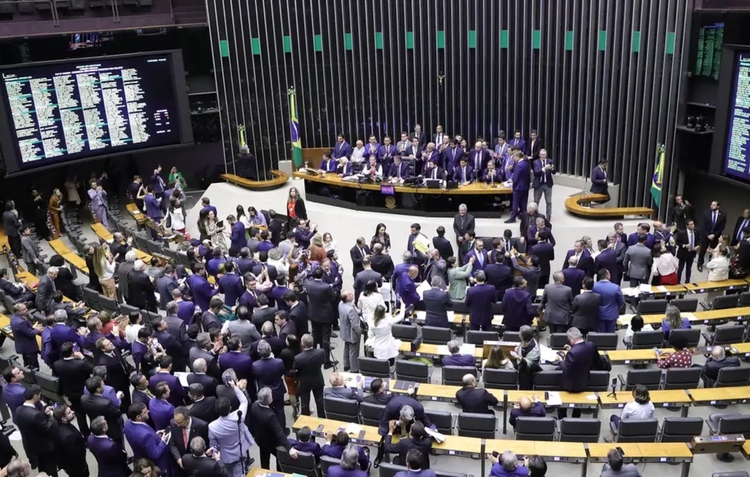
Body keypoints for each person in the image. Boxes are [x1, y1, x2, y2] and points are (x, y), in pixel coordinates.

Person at [209, 380, 255, 477]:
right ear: (230, 408)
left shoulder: (212, 426)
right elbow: (244, 401)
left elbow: (214, 445)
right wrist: (235, 387)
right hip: (240, 453)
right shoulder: (238, 417)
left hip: (225, 457)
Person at [16, 385, 59, 476]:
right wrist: (51, 415)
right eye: (39, 395)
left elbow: (32, 422)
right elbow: (48, 428)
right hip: (44, 447)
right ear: (35, 396)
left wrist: (43, 413)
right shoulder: (35, 415)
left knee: (42, 466)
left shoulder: (19, 410)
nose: (40, 397)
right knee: (50, 469)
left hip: (31, 446)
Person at [250, 387, 295, 469]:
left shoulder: (254, 405)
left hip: (260, 440)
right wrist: (289, 448)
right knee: (280, 457)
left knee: (264, 460)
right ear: (270, 399)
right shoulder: (270, 416)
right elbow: (279, 432)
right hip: (272, 443)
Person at [556, 328, 595, 418]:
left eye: (569, 339)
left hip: (570, 385)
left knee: (562, 403)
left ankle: (563, 419)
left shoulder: (572, 353)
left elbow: (567, 370)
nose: (569, 341)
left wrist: (561, 360)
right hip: (584, 381)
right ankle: (576, 419)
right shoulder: (590, 345)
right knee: (578, 406)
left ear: (573, 339)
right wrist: (572, 349)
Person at [124, 403, 171, 474]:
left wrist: (155, 435)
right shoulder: (146, 435)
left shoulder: (127, 423)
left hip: (139, 456)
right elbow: (155, 454)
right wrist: (163, 441)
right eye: (145, 412)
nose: (148, 411)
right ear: (138, 417)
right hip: (154, 464)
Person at [293, 333, 326, 416]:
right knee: (320, 402)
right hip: (317, 379)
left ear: (303, 344)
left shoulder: (298, 358)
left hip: (304, 383)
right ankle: (322, 419)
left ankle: (306, 421)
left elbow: (295, 370)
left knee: (305, 404)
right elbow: (322, 362)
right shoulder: (321, 352)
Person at [52, 404, 89, 477]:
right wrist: (83, 466)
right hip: (77, 468)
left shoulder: (59, 426)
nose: (73, 412)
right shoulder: (68, 436)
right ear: (63, 418)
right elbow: (75, 456)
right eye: (69, 412)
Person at [698, 200, 727, 272]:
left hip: (715, 236)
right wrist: (708, 235)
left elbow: (722, 227)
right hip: (706, 235)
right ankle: (700, 264)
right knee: (702, 250)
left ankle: (712, 264)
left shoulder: (723, 215)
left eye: (714, 205)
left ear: (718, 206)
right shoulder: (706, 213)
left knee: (714, 251)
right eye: (711, 204)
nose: (711, 206)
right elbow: (703, 225)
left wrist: (714, 235)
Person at [592, 269, 624, 333]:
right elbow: (622, 301)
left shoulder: (593, 286)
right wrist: (616, 308)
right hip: (611, 314)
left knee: (600, 334)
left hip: (598, 314)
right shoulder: (615, 287)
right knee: (611, 334)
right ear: (607, 275)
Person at [338, 290, 362, 373]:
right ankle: (354, 369)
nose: (352, 294)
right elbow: (355, 325)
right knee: (353, 352)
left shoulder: (341, 304)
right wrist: (359, 332)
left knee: (346, 347)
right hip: (352, 333)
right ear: (347, 298)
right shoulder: (350, 310)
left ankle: (346, 364)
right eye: (350, 294)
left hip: (344, 331)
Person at [511, 326, 541, 390]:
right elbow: (522, 347)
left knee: (525, 387)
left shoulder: (534, 349)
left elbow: (531, 364)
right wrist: (518, 349)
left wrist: (518, 357)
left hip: (528, 372)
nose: (519, 335)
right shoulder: (526, 340)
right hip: (521, 367)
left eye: (520, 334)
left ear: (525, 336)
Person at [505, 151, 531, 223]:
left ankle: (513, 218)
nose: (513, 159)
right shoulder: (526, 163)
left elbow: (516, 178)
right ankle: (524, 217)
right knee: (523, 204)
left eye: (514, 157)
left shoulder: (519, 165)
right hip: (525, 187)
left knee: (515, 204)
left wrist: (513, 186)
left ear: (517, 157)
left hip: (518, 187)